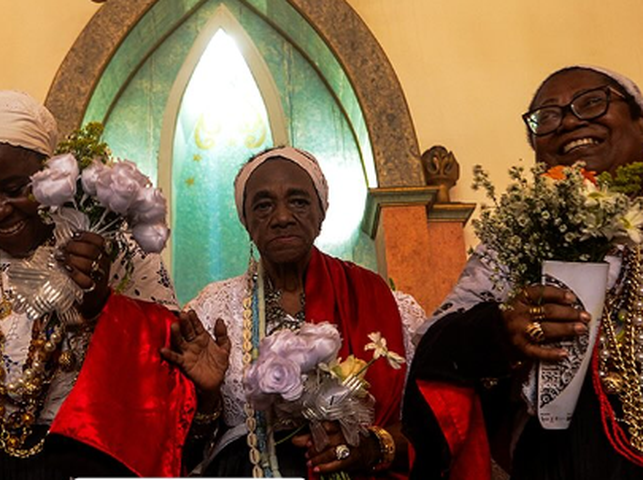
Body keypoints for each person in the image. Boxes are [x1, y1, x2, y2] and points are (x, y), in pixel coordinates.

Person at [0, 90, 194, 480]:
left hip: (75, 464)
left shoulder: (114, 250)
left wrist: (99, 307)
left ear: (52, 175)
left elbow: (169, 379)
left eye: (14, 189)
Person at [403, 65, 643, 480]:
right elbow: (433, 347)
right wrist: (501, 329)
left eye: (592, 102)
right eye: (547, 117)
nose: (569, 121)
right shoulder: (515, 241)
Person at [163, 146, 419, 478]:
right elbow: (177, 451)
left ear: (321, 213)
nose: (282, 217)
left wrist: (371, 445)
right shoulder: (213, 310)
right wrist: (208, 399)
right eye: (264, 205)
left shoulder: (385, 305)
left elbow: (432, 426)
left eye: (298, 201)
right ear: (246, 222)